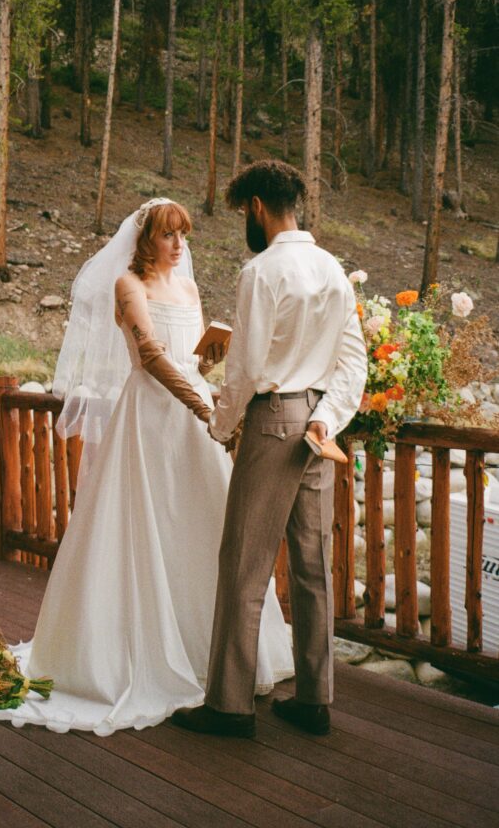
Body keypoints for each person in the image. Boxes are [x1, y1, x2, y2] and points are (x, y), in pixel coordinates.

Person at [0, 198, 293, 734]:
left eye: (183, 235)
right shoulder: (127, 286)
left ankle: (216, 653)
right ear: (146, 241)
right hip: (153, 416)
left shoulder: (187, 288)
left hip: (194, 418)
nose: (179, 245)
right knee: (145, 524)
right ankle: (138, 656)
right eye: (168, 236)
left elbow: (186, 356)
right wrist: (207, 408)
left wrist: (211, 355)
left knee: (203, 528)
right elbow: (153, 357)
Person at [171, 161, 367, 739]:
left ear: (256, 206)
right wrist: (326, 420)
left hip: (273, 423)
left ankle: (229, 707)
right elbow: (352, 363)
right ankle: (314, 700)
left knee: (244, 564)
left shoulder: (261, 271)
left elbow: (249, 367)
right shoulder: (332, 269)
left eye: (241, 213)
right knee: (312, 569)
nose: (243, 224)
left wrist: (219, 424)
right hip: (317, 429)